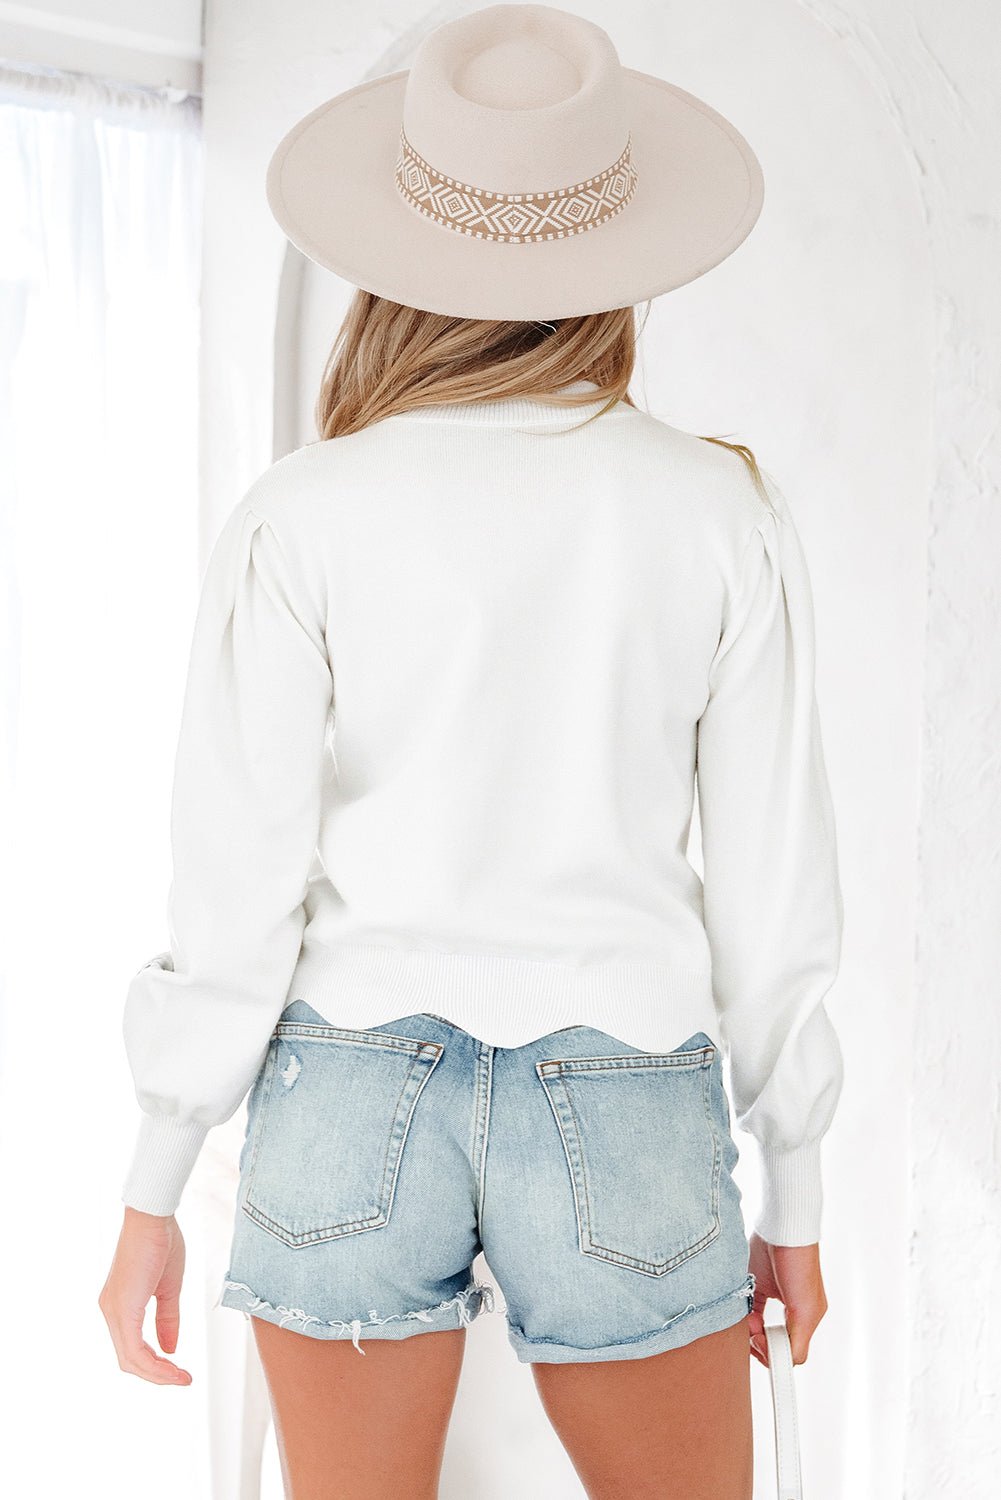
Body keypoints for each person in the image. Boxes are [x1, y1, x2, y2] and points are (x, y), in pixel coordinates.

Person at [99, 6, 844, 1498]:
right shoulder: (721, 516)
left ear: (396, 251)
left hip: (348, 1080)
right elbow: (775, 896)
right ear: (619, 246)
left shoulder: (302, 513)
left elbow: (234, 884)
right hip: (626, 1084)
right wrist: (800, 1186)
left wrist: (154, 1182)